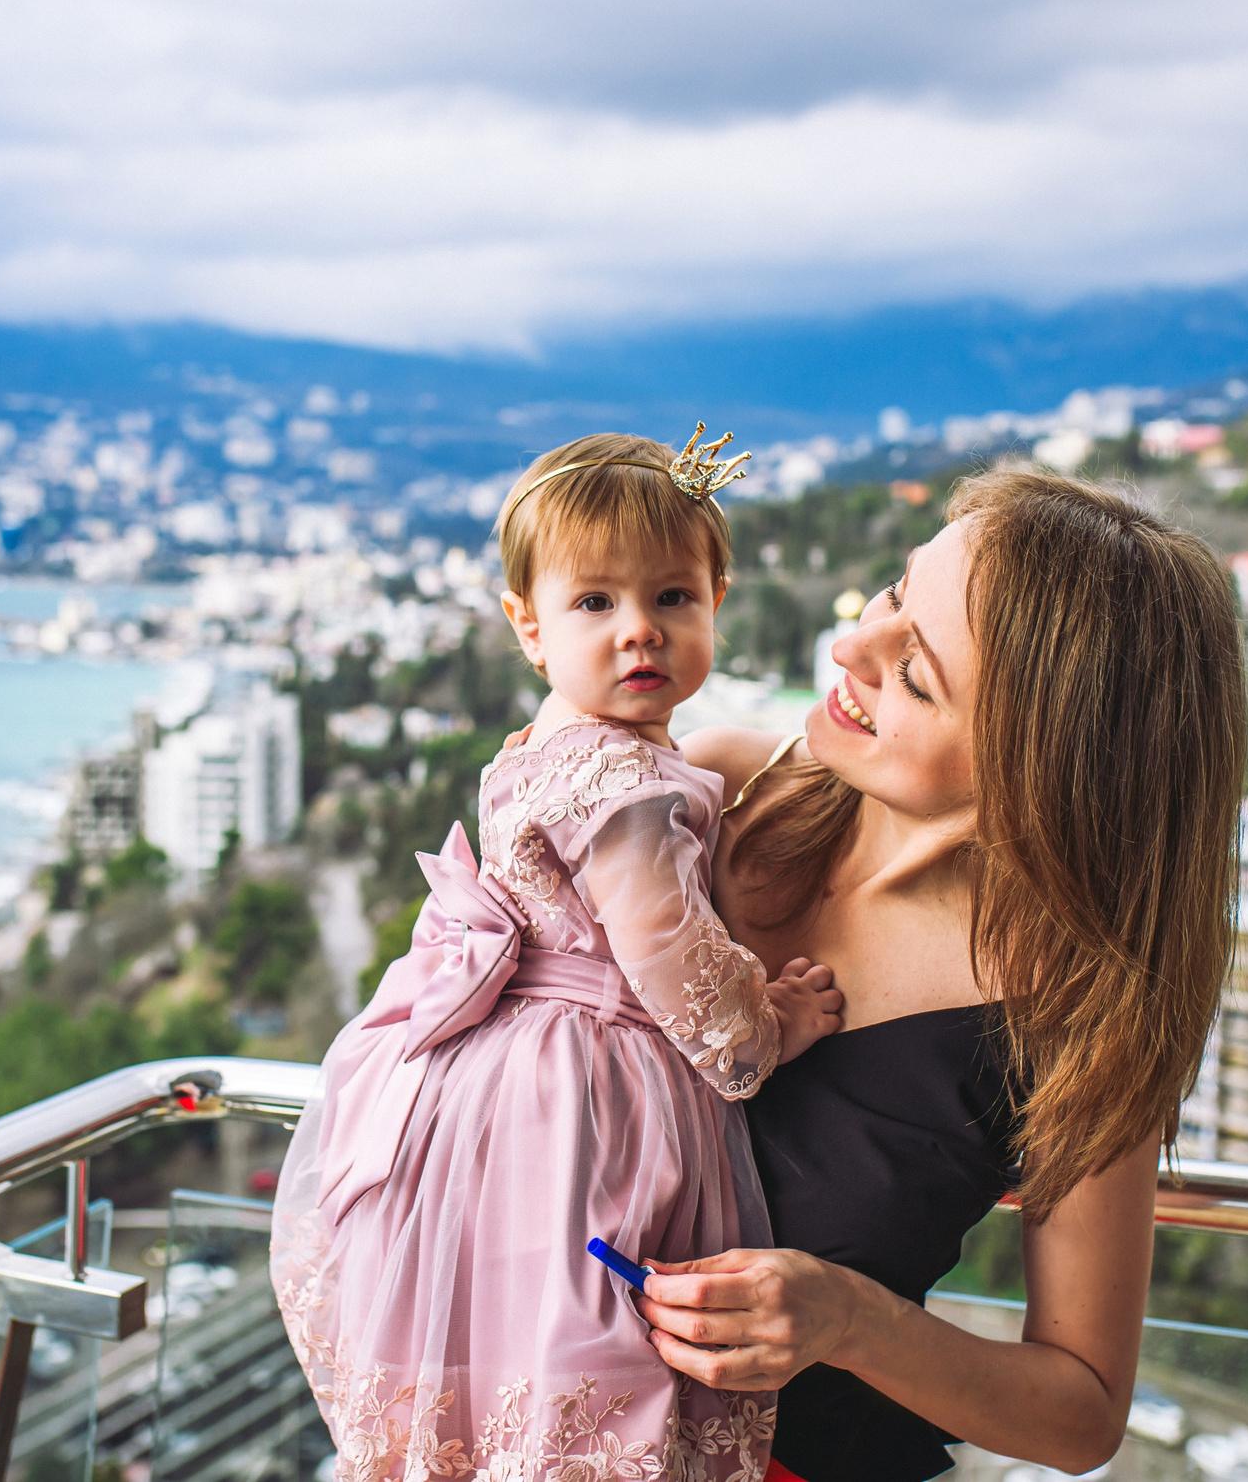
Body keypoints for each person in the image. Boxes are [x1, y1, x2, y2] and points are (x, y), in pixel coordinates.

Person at [646, 466, 1247, 1482]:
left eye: (914, 675)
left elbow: (1082, 1412)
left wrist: (845, 1320)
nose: (849, 649)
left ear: (1038, 768)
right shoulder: (713, 791)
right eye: (891, 595)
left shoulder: (1076, 1017)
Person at [271, 428, 845, 1482]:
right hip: (590, 1088)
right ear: (528, 628)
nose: (640, 633)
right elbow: (667, 952)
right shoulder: (630, 789)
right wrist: (771, 1026)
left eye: (672, 598)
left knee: (507, 1312)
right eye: (596, 604)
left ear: (716, 600)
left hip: (491, 1083)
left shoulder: (545, 743)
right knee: (595, 1318)